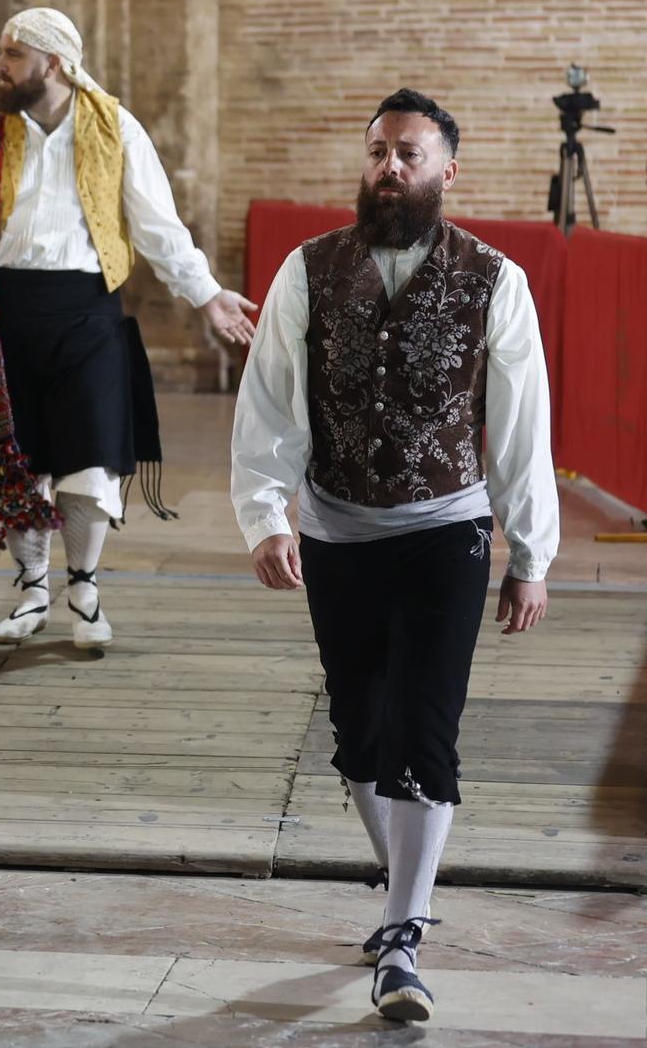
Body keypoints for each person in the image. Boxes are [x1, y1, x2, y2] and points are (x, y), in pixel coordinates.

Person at [231, 89, 556, 1024]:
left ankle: (404, 934)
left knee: (424, 726)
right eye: (379, 151)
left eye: (410, 153)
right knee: (359, 731)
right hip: (338, 532)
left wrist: (529, 551)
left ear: (448, 169)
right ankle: (401, 884)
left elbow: (522, 429)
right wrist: (267, 515)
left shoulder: (497, 279)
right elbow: (271, 404)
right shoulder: (310, 269)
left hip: (447, 530)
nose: (390, 167)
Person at [0, 8, 255, 648]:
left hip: (87, 313)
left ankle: (84, 593)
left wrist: (206, 295)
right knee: (17, 464)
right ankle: (33, 589)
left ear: (53, 63)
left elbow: (158, 228)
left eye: (12, 54)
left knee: (88, 461)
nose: (0, 66)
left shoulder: (116, 129)